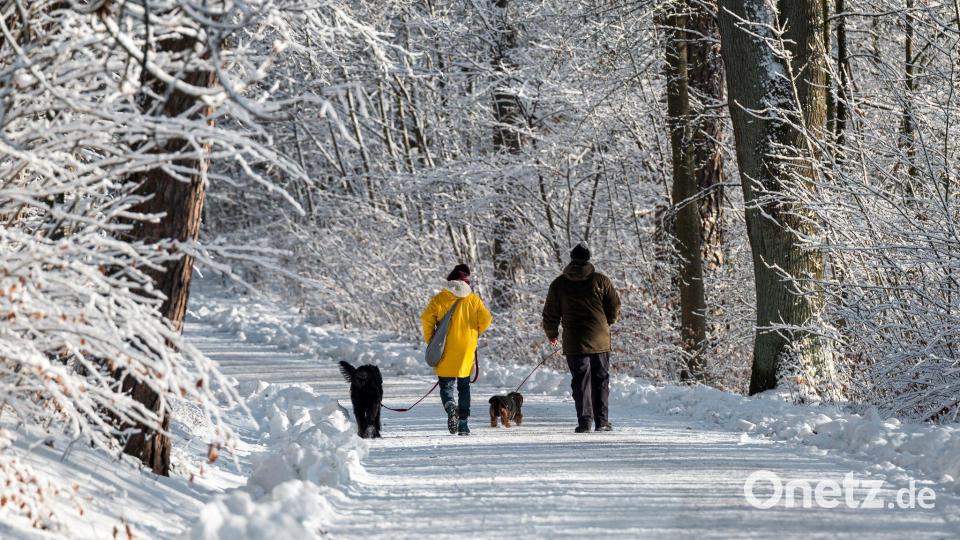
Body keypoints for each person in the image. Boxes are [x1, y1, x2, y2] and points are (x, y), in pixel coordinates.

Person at [542, 244, 621, 433]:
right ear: (588, 258)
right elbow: (615, 306)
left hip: (574, 341)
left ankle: (585, 422)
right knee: (600, 379)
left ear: (571, 258)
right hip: (599, 338)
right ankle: (602, 422)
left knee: (581, 381)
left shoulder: (559, 283)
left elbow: (550, 314)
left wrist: (552, 335)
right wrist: (606, 323)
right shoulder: (600, 280)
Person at [421, 264, 492, 435]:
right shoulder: (473, 299)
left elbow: (426, 320)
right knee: (464, 386)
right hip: (466, 348)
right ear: (467, 281)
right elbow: (486, 319)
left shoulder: (440, 298)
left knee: (446, 385)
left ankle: (450, 406)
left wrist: (432, 339)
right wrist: (474, 333)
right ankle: (463, 423)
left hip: (444, 347)